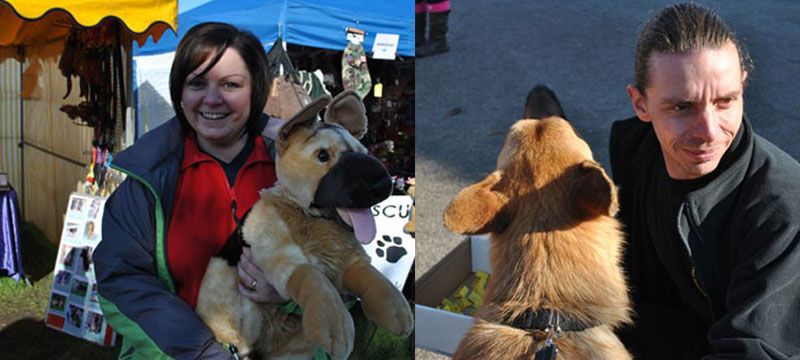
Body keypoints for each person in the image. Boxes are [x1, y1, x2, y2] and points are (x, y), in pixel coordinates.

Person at [609, 3, 800, 359]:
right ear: (640, 105)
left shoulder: (782, 210)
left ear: (742, 86)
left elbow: (751, 352)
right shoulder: (640, 156)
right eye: (682, 107)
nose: (710, 132)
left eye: (726, 101)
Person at [94, 22, 286, 359]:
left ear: (255, 90)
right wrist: (203, 353)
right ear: (179, 92)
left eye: (230, 84)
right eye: (197, 83)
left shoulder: (294, 168)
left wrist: (292, 291)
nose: (212, 99)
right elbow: (123, 279)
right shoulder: (147, 177)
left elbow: (341, 265)